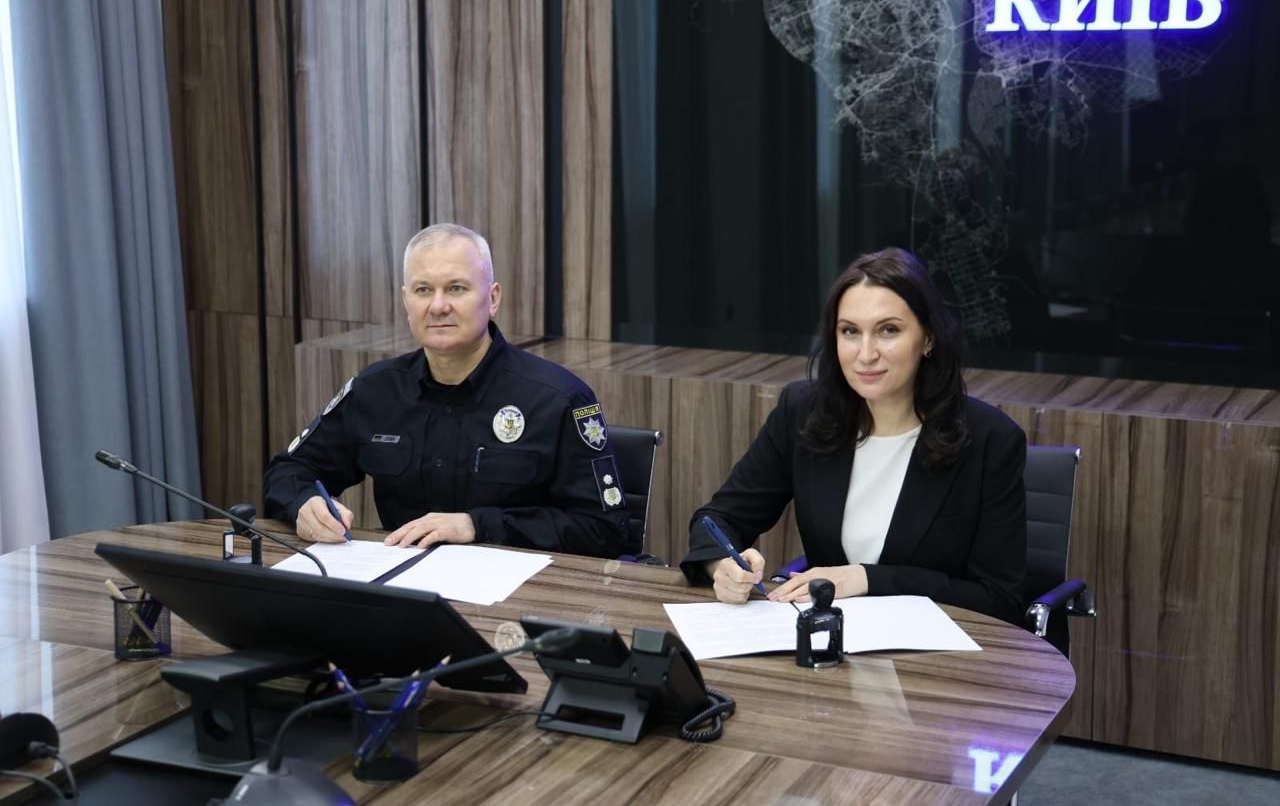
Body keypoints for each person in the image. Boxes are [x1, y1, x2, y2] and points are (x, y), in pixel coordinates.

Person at [680, 247, 1027, 623]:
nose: (866, 354)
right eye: (850, 332)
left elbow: (998, 599)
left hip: (937, 649)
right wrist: (722, 566)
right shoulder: (804, 413)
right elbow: (718, 519)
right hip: (828, 642)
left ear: (928, 338)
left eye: (888, 330)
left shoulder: (990, 439)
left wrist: (866, 579)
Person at [264, 223, 629, 557]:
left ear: (493, 298)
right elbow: (289, 469)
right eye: (423, 290)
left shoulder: (559, 398)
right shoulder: (375, 390)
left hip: (517, 593)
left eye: (456, 288)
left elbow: (605, 530)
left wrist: (477, 525)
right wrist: (303, 502)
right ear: (406, 301)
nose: (438, 306)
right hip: (402, 588)